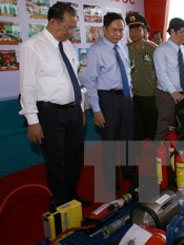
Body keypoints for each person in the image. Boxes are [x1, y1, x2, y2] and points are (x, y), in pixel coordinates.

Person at [19, 2, 88, 207]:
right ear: (52, 22)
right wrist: (32, 121)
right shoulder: (32, 46)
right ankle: (61, 204)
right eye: (68, 27)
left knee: (75, 158)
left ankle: (72, 196)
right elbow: (27, 86)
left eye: (73, 27)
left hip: (74, 111)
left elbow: (75, 78)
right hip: (50, 113)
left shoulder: (67, 45)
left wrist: (81, 107)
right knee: (56, 161)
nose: (71, 31)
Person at [81, 13, 135, 191]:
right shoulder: (96, 50)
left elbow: (126, 73)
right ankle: (111, 181)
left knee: (128, 138)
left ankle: (128, 172)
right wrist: (96, 110)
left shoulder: (122, 46)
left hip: (125, 98)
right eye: (114, 30)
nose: (118, 34)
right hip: (107, 99)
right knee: (110, 141)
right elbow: (90, 81)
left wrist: (130, 96)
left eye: (121, 30)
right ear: (104, 29)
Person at [126, 13, 158, 141]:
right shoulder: (125, 49)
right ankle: (136, 157)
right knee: (136, 129)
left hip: (151, 96)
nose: (133, 33)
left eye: (137, 29)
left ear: (144, 30)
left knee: (153, 128)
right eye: (131, 30)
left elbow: (160, 73)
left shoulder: (153, 49)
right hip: (134, 97)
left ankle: (157, 157)